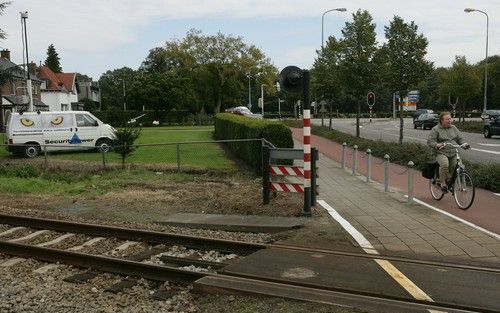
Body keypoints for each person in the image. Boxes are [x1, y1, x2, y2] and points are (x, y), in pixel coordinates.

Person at [427, 112, 470, 192]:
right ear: (441, 121)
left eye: (450, 119)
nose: (449, 121)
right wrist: (437, 145)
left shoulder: (454, 128)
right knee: (444, 164)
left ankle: (457, 183)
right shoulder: (436, 129)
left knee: (459, 167)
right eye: (447, 119)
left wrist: (464, 144)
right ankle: (442, 182)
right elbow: (430, 141)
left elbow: (460, 138)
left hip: (453, 152)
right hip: (441, 152)